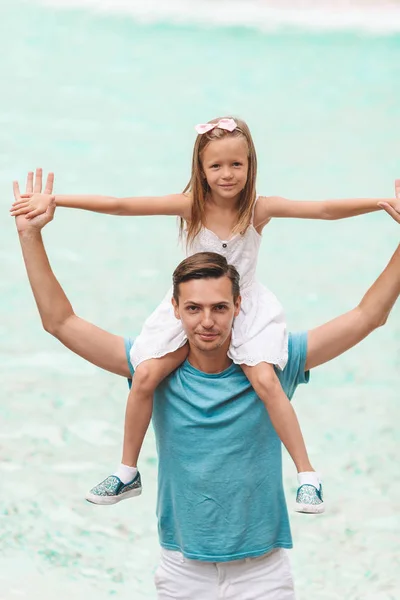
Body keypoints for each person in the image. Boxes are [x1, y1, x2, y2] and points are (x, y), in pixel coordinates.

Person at [14, 177, 400, 600]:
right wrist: (30, 235)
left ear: (239, 306)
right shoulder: (153, 368)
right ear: (175, 309)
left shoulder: (275, 361)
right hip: (183, 570)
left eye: (219, 307)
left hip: (264, 573)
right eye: (194, 308)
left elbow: (368, 315)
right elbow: (60, 322)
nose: (207, 321)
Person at [10, 120, 400, 513]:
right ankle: (127, 471)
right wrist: (56, 202)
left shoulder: (258, 209)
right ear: (200, 168)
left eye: (236, 164)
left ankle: (307, 476)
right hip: (194, 297)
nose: (227, 175)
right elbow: (121, 205)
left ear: (250, 166)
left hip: (243, 304)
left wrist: (382, 204)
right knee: (144, 373)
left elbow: (323, 210)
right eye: (216, 166)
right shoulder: (190, 206)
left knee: (265, 378)